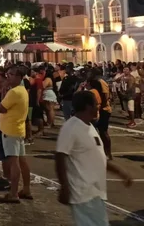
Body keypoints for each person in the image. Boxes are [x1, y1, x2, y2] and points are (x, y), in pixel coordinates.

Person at [55, 91, 132, 225]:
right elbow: (60, 157)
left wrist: (120, 172)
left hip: (95, 192)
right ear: (88, 106)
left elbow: (98, 157)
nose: (98, 107)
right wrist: (64, 187)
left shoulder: (89, 127)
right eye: (96, 104)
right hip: (84, 193)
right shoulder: (71, 128)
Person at [0, 65, 32, 204]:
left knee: (13, 162)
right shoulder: (22, 90)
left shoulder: (14, 92)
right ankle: (26, 189)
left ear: (19, 77)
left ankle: (13, 193)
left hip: (11, 129)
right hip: (18, 129)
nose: (8, 77)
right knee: (22, 161)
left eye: (11, 74)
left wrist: (4, 93)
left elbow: (1, 108)